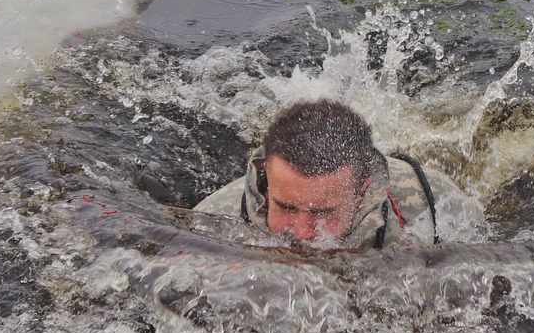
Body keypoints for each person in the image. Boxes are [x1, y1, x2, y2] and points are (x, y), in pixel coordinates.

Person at [193, 99, 470, 250]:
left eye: (322, 212)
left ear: (363, 191)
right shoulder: (208, 228)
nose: (301, 233)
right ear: (266, 180)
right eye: (286, 207)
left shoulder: (436, 204)